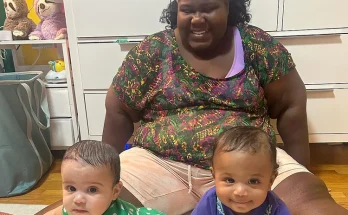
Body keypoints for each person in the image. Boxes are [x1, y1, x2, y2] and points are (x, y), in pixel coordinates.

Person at [37, 0, 348, 214]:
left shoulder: (257, 45)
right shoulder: (152, 50)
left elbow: (291, 102)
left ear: (230, 7)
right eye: (188, 9)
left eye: (210, 7)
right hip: (160, 162)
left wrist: (303, 169)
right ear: (176, 11)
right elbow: (118, 108)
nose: (198, 18)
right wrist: (102, 173)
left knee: (311, 202)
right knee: (87, 203)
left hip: (250, 161)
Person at [45, 140, 165, 215]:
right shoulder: (73, 209)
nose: (78, 199)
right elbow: (56, 212)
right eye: (71, 188)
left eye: (92, 189)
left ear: (115, 191)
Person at [192, 126, 291, 215]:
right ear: (214, 175)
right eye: (229, 180)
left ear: (271, 180)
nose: (240, 192)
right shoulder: (211, 202)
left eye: (253, 181)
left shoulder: (275, 208)